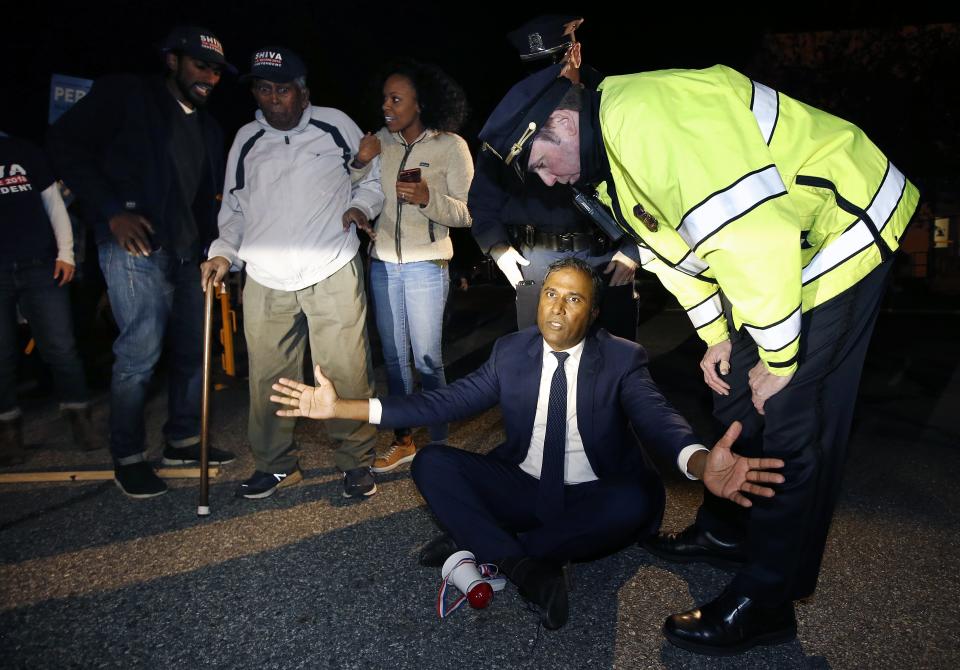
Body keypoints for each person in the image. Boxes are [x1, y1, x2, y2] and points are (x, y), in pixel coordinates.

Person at [478, 64, 919, 653]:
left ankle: (767, 600)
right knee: (735, 388)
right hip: (787, 242)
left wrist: (781, 359)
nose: (548, 182)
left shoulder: (651, 121)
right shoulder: (608, 164)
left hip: (843, 223)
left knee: (790, 412)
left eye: (539, 163)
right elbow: (671, 251)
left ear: (560, 121)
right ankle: (728, 530)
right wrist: (716, 336)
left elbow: (754, 239)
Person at [269, 257, 785, 630]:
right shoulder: (511, 352)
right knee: (431, 463)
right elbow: (441, 405)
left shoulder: (622, 358)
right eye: (550, 294)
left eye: (574, 298)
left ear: (594, 314)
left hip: (595, 494)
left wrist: (697, 461)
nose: (557, 308)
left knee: (631, 501)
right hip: (524, 482)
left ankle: (484, 545)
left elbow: (659, 419)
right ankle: (523, 567)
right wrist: (340, 408)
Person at [47, 26, 237, 498]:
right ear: (172, 61)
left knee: (195, 352)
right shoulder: (126, 94)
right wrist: (112, 212)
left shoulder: (211, 128)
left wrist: (214, 249)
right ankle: (127, 456)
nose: (209, 77)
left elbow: (208, 200)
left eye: (215, 70)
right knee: (139, 353)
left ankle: (183, 440)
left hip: (189, 252)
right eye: (199, 65)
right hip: (135, 247)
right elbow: (64, 145)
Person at [200, 46, 385, 500]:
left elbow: (371, 178)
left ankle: (356, 461)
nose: (272, 98)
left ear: (302, 92)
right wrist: (224, 253)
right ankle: (276, 465)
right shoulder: (245, 139)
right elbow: (235, 208)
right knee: (269, 376)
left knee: (344, 369)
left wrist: (360, 207)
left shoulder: (334, 123)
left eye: (281, 89)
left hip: (331, 265)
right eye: (263, 89)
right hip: (265, 276)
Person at [468, 15, 639, 339]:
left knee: (615, 364)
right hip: (536, 259)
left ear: (575, 53)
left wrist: (634, 250)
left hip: (605, 256)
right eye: (536, 69)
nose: (547, 78)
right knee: (540, 362)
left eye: (554, 64)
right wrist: (497, 248)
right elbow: (483, 197)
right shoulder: (511, 121)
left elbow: (646, 188)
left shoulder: (612, 108)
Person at [349, 61, 473, 474]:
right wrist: (358, 163)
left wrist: (426, 198)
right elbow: (350, 190)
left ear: (421, 104)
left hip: (426, 265)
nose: (386, 105)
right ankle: (403, 441)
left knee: (426, 359)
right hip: (383, 264)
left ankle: (438, 444)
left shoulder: (450, 146)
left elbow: (467, 213)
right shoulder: (377, 143)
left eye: (396, 98)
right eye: (385, 97)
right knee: (395, 359)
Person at [0, 133, 96, 464]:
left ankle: (79, 417)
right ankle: (8, 430)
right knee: (2, 353)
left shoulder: (21, 150)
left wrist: (66, 253)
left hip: (40, 264)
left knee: (60, 346)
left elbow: (54, 202)